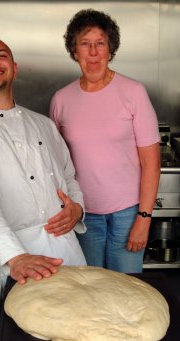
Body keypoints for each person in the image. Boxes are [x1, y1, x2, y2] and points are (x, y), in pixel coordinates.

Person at [0, 37, 87, 288]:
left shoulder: (43, 124)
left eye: (1, 55)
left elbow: (69, 175)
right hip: (14, 260)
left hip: (67, 248)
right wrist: (15, 256)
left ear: (14, 67)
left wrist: (77, 209)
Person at [50, 9, 161, 273]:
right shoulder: (61, 100)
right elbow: (54, 162)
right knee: (90, 288)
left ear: (110, 50)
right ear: (74, 51)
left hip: (128, 212)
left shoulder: (133, 92)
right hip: (84, 213)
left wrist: (143, 220)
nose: (93, 52)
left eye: (100, 44)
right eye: (85, 44)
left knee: (126, 286)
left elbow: (151, 164)